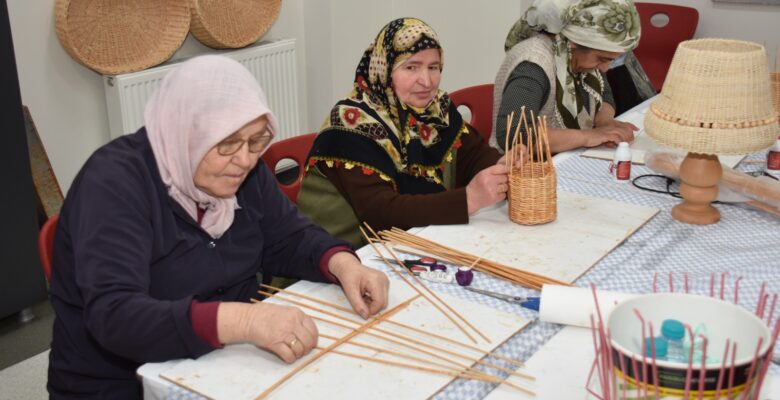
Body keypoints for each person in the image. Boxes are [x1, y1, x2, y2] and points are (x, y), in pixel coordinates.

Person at [47, 55, 389, 399]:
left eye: (257, 141)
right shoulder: (114, 184)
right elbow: (116, 315)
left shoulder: (241, 172)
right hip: (122, 383)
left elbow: (289, 237)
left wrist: (342, 264)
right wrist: (246, 322)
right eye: (226, 143)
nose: (244, 160)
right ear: (186, 133)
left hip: (226, 360)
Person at [298, 18, 523, 248]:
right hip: (334, 261)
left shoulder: (436, 109)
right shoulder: (350, 126)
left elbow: (472, 154)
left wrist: (503, 165)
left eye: (433, 67)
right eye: (411, 67)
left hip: (405, 244)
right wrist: (468, 200)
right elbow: (383, 214)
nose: (426, 81)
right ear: (384, 68)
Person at [492, 0, 642, 154]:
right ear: (573, 43)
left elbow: (604, 94)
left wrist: (605, 122)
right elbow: (514, 135)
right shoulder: (533, 65)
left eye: (612, 60)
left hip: (564, 160)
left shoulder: (579, 58)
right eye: (602, 59)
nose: (605, 68)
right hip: (525, 169)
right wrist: (588, 136)